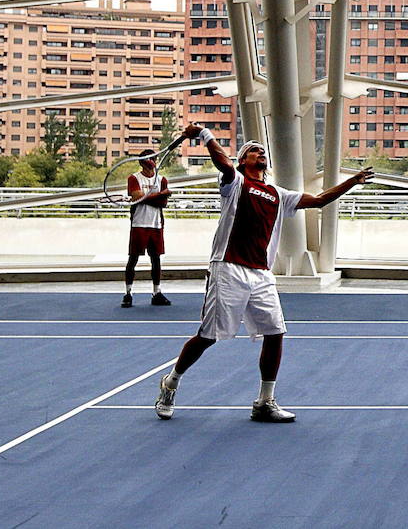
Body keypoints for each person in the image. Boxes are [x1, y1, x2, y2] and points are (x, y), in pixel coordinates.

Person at [155, 123, 374, 423]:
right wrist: (204, 134)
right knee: (208, 336)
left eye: (262, 151)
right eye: (253, 150)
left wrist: (352, 181)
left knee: (275, 332)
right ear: (243, 160)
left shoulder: (278, 194)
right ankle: (171, 382)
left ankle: (264, 402)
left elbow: (320, 200)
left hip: (260, 274)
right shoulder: (235, 184)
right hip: (228, 267)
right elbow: (222, 162)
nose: (260, 153)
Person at [124, 149, 171, 308]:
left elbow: (162, 204)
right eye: (149, 159)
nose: (152, 162)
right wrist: (160, 195)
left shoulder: (162, 179)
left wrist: (145, 198)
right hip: (139, 223)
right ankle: (128, 293)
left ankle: (156, 292)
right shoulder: (134, 178)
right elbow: (137, 197)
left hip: (156, 224)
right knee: (133, 258)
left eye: (154, 159)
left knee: (156, 259)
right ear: (142, 161)